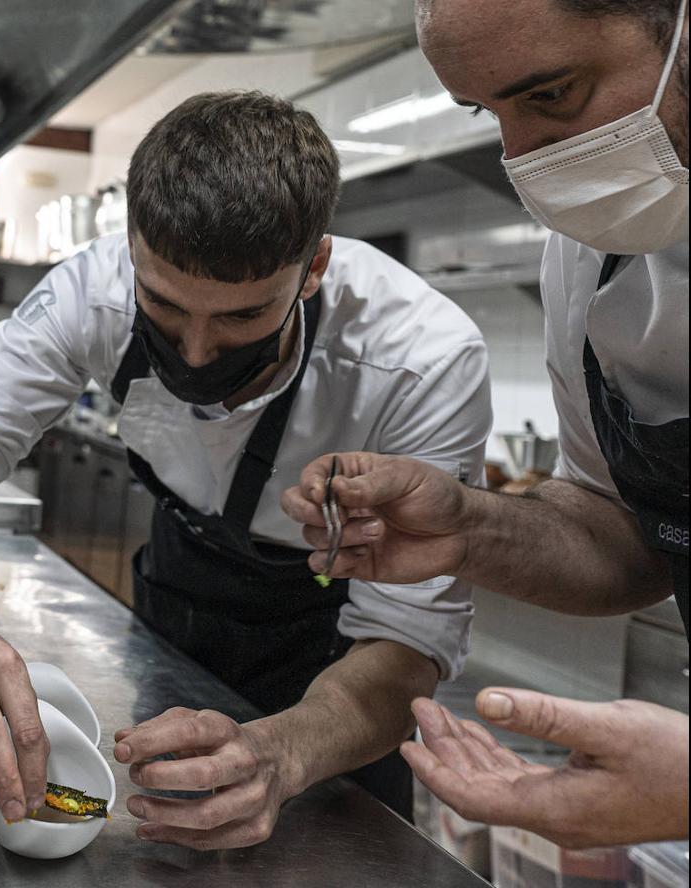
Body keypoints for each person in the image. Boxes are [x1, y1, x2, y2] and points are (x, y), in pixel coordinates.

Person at [0, 91, 494, 849]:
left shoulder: (421, 359)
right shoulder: (89, 293)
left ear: (313, 267)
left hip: (335, 653)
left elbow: (406, 647)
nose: (196, 354)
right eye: (164, 308)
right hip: (179, 591)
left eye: (239, 317)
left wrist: (284, 752)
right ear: (131, 247)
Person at [281, 0, 688, 848]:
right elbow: (627, 535)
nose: (521, 157)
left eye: (553, 95)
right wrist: (468, 526)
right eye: (489, 115)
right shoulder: (591, 249)